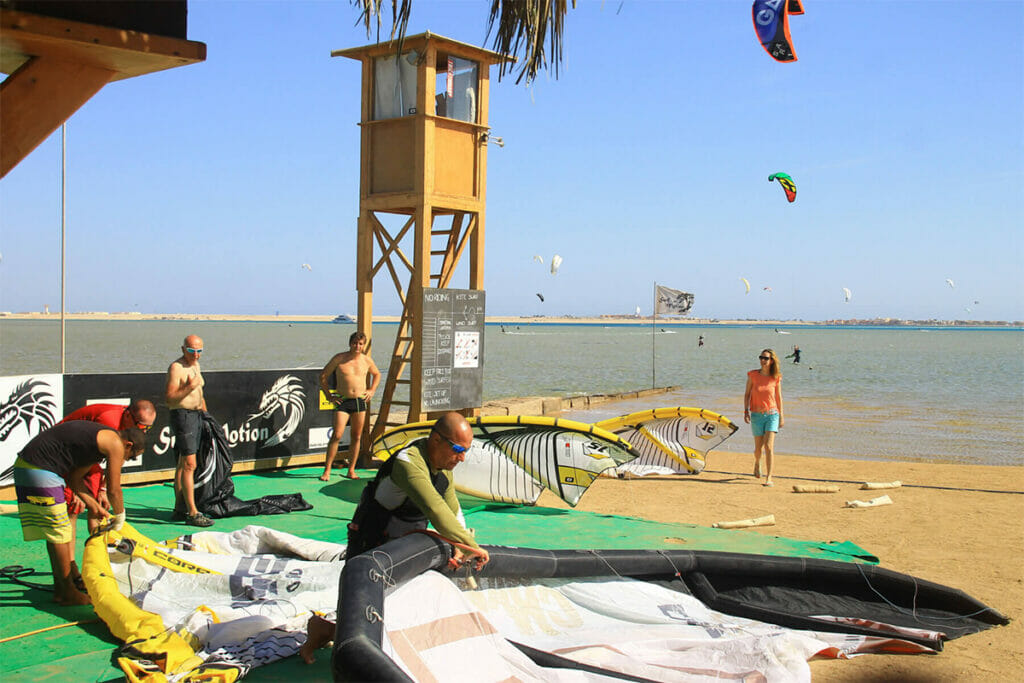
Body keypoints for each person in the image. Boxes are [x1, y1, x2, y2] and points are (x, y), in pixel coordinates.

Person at [13, 421, 145, 605]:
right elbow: (114, 490)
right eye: (130, 457)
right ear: (128, 445)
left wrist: (93, 505)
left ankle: (62, 588)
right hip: (39, 469)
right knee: (60, 533)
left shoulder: (98, 443)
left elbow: (75, 479)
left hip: (28, 466)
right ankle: (66, 591)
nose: (125, 461)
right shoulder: (115, 442)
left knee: (56, 533)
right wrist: (120, 518)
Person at [346, 412, 489, 565]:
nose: (462, 458)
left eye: (466, 451)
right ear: (436, 440)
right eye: (458, 449)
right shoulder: (407, 462)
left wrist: (459, 547)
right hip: (372, 545)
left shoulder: (444, 468)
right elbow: (435, 509)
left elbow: (453, 511)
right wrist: (471, 547)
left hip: (407, 545)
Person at [58, 399, 156, 533]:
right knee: (73, 506)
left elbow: (117, 460)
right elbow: (81, 452)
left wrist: (102, 489)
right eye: (141, 426)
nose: (143, 432)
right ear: (128, 416)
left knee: (98, 502)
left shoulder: (128, 426)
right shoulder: (109, 422)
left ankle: (99, 541)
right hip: (65, 451)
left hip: (84, 454)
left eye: (148, 428)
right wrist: (75, 489)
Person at [318, 331, 381, 480]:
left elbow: (377, 374)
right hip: (342, 401)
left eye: (360, 344)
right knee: (337, 435)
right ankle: (327, 470)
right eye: (354, 343)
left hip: (359, 401)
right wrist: (329, 396)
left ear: (363, 345)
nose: (357, 346)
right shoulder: (339, 358)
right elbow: (323, 376)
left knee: (356, 436)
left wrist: (372, 390)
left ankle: (351, 470)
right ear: (350, 343)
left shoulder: (367, 360)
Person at [165, 334, 213, 527]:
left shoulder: (196, 365)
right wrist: (189, 387)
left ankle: (180, 507)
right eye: (192, 350)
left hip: (196, 415)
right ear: (183, 349)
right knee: (189, 464)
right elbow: (170, 398)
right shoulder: (176, 368)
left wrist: (206, 415)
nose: (196, 354)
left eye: (199, 351)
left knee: (182, 463)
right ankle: (192, 512)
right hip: (183, 416)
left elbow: (200, 394)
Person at [743, 348, 784, 487]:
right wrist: (745, 411)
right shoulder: (753, 375)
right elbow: (747, 394)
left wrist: (781, 416)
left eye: (766, 358)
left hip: (772, 414)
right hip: (756, 415)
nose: (763, 360)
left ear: (771, 361)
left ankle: (769, 477)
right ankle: (757, 462)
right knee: (758, 449)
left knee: (769, 446)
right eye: (761, 357)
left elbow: (779, 398)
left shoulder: (776, 377)